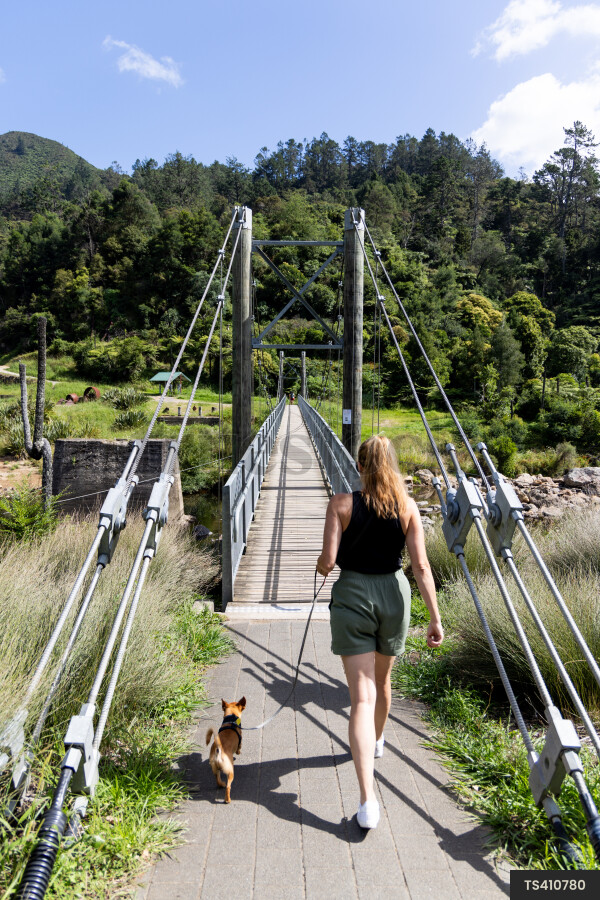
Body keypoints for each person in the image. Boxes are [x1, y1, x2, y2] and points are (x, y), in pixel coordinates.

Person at [316, 435, 443, 830]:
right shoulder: (407, 507)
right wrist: (435, 619)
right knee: (384, 683)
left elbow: (327, 563)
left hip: (352, 594)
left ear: (359, 467)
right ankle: (377, 740)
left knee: (361, 698)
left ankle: (368, 801)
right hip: (393, 594)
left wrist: (321, 566)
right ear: (391, 465)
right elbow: (421, 568)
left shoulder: (340, 503)